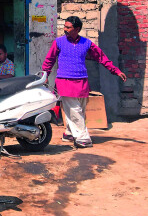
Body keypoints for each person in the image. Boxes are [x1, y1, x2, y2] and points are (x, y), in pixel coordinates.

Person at [42, 16, 127, 148]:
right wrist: (45, 74)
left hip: (82, 82)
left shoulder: (87, 43)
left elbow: (101, 57)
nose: (64, 29)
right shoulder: (58, 42)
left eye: (68, 27)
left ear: (77, 29)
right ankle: (82, 138)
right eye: (64, 26)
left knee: (79, 109)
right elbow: (49, 60)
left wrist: (116, 71)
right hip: (65, 81)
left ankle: (69, 133)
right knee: (75, 110)